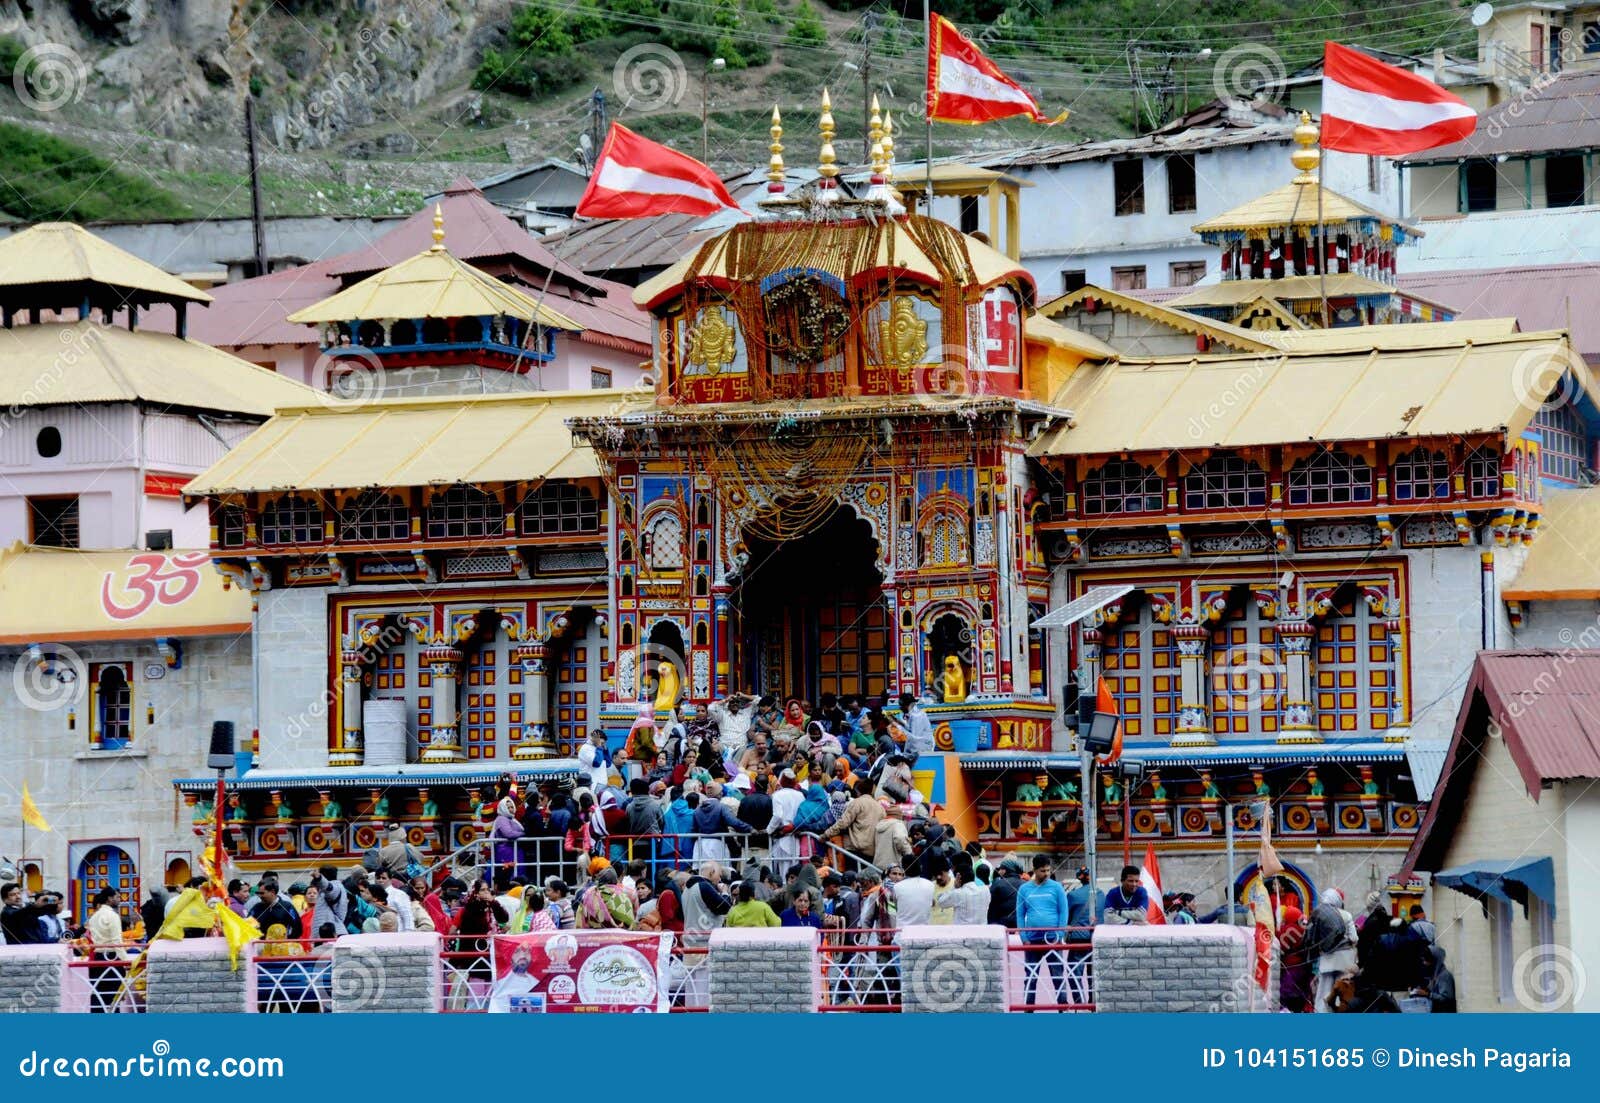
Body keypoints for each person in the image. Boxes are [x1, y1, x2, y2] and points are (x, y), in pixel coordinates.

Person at [1016, 855, 1071, 1007]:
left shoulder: (1057, 887)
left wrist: (1059, 935)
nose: (1046, 874)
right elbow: (1020, 914)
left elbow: (1063, 912)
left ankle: (1063, 1006)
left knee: (1058, 974)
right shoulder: (1024, 888)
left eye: (1048, 870)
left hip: (1053, 938)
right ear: (1034, 870)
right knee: (1031, 976)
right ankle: (1029, 1007)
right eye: (1042, 871)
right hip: (1032, 939)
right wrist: (1024, 937)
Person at [1307, 888, 1357, 1014]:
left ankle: (1321, 1011)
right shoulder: (1346, 915)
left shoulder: (1320, 914)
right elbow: (1354, 938)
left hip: (1326, 958)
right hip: (1344, 959)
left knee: (1323, 988)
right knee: (1342, 987)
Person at [86, 887, 129, 1012]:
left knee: (98, 995)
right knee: (113, 997)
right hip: (111, 957)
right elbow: (117, 941)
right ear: (110, 899)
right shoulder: (112, 916)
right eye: (117, 897)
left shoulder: (94, 916)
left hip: (98, 958)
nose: (119, 899)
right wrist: (125, 960)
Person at [823, 778, 884, 863]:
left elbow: (843, 823)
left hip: (855, 849)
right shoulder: (880, 808)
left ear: (858, 791)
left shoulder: (857, 803)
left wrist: (826, 834)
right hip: (871, 851)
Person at [935, 860, 990, 925]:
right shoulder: (985, 890)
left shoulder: (958, 893)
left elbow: (941, 902)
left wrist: (954, 887)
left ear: (958, 877)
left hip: (963, 933)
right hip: (982, 932)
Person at [873, 800, 914, 871]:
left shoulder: (879, 824)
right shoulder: (898, 824)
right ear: (899, 815)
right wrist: (909, 852)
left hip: (878, 863)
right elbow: (900, 838)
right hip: (893, 866)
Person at [309, 866, 347, 940]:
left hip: (331, 933)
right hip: (326, 933)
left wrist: (319, 878)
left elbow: (329, 888)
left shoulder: (336, 887)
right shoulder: (330, 889)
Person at [987, 858, 1024, 927]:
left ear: (1005, 870)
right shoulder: (1025, 885)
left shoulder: (998, 884)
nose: (999, 871)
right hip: (1021, 925)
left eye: (1000, 869)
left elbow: (992, 907)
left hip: (1002, 925)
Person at [1065, 866, 1104, 931]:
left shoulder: (1073, 895)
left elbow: (1065, 917)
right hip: (1098, 935)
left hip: (1078, 936)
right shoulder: (1101, 894)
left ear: (1079, 877)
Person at [898, 693, 935, 757]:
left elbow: (915, 737)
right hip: (917, 746)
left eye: (901, 706)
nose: (900, 708)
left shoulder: (917, 716)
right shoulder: (912, 714)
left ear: (907, 705)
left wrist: (899, 727)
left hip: (923, 748)